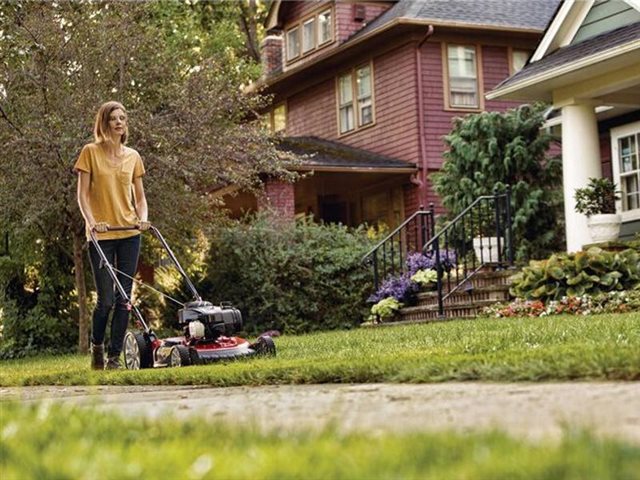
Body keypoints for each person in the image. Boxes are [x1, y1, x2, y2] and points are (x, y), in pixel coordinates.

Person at [75, 101, 150, 370]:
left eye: (123, 118)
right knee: (106, 300)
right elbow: (82, 195)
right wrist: (93, 223)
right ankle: (97, 346)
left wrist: (142, 219)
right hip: (100, 236)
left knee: (124, 299)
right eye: (113, 119)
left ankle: (115, 358)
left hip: (129, 233)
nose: (119, 122)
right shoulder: (90, 152)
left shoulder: (133, 156)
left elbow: (140, 198)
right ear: (104, 123)